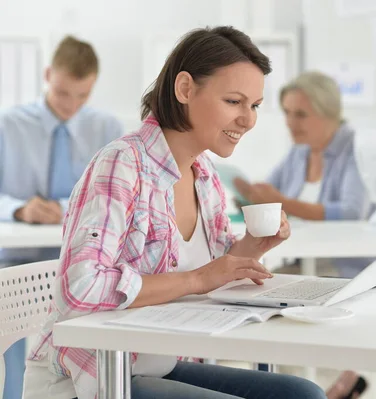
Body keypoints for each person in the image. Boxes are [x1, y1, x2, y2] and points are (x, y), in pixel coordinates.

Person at [23, 26, 326, 399]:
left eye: (255, 105)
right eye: (234, 101)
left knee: (302, 394)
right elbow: (79, 288)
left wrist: (253, 245)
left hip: (154, 364)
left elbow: (215, 270)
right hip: (96, 376)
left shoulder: (204, 174)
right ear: (184, 89)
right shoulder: (122, 164)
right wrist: (196, 280)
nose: (248, 119)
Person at [0, 35, 122, 399]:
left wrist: (68, 210)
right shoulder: (8, 125)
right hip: (14, 261)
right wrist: (18, 209)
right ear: (48, 74)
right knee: (12, 341)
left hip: (80, 263)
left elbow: (115, 197)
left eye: (82, 96)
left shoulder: (108, 130)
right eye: (62, 93)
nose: (71, 105)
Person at [234, 71, 370, 399]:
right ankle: (307, 385)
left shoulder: (356, 146)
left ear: (327, 113)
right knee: (256, 292)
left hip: (343, 264)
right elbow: (269, 192)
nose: (290, 122)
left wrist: (281, 200)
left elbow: (351, 211)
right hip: (304, 258)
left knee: (272, 300)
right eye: (287, 113)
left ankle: (332, 381)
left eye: (300, 114)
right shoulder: (300, 151)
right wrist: (252, 195)